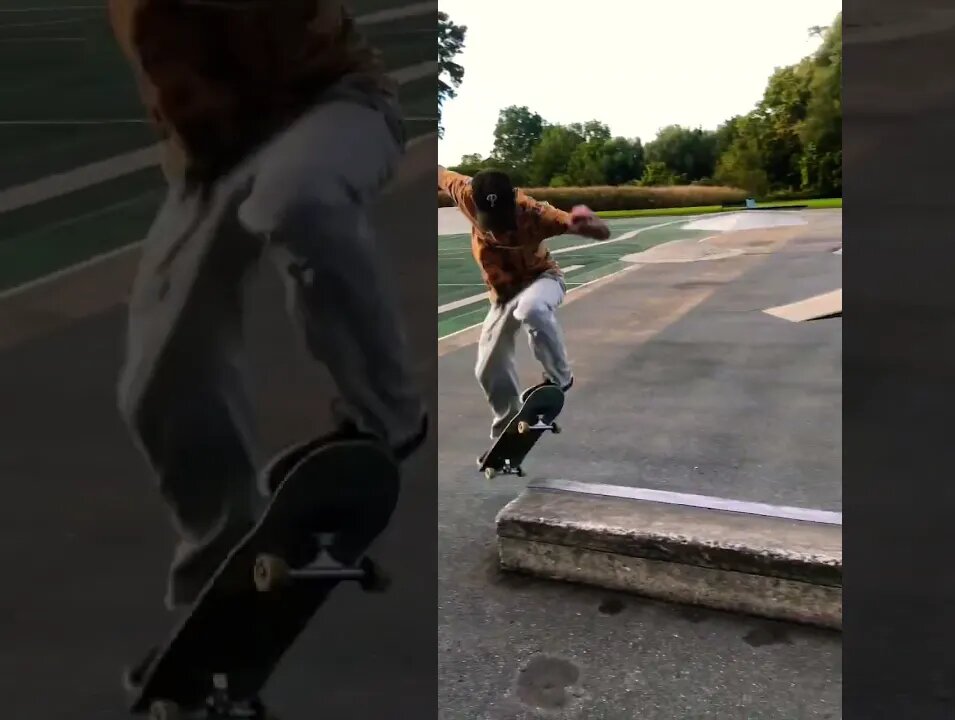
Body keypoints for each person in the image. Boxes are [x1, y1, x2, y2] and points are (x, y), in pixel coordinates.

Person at [108, 0, 427, 682]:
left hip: (337, 107)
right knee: (155, 381)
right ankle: (218, 576)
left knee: (297, 198)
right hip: (213, 152)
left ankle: (388, 415)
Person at [437, 166, 610, 443]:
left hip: (543, 280)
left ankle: (560, 378)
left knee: (531, 309)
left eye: (503, 220)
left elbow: (601, 233)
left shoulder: (535, 214)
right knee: (487, 367)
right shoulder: (464, 192)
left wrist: (592, 224)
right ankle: (508, 423)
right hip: (502, 296)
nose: (498, 231)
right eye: (490, 222)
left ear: (513, 200)